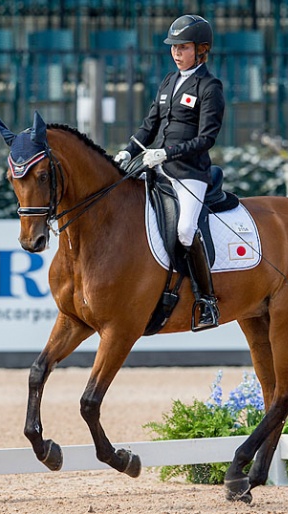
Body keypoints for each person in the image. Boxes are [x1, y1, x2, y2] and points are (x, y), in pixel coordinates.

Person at [114, 14, 225, 331]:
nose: (177, 53)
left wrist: (167, 153)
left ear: (201, 50)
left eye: (184, 47)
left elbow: (207, 138)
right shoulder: (167, 82)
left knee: (186, 230)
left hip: (189, 173)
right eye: (174, 47)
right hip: (155, 170)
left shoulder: (209, 86)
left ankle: (207, 301)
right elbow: (150, 126)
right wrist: (128, 151)